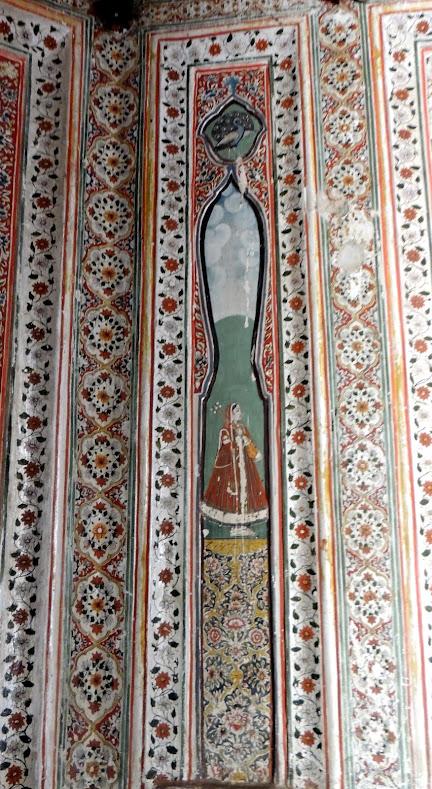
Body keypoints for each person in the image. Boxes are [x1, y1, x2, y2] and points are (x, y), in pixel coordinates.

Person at [201, 403, 268, 536]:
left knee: (247, 493)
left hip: (245, 466)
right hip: (231, 469)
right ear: (231, 414)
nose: (240, 413)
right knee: (232, 496)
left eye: (239, 411)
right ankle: (235, 526)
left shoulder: (242, 428)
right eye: (237, 411)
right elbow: (227, 449)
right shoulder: (225, 430)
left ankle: (244, 524)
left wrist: (244, 437)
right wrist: (237, 439)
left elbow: (249, 444)